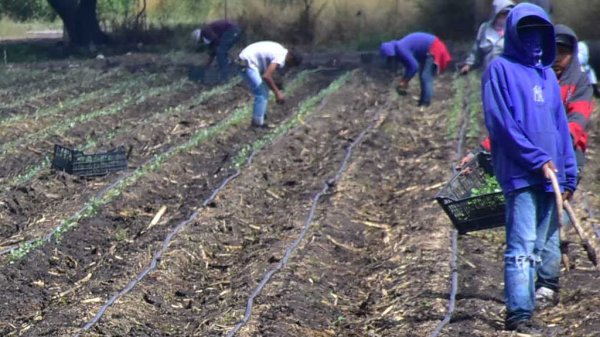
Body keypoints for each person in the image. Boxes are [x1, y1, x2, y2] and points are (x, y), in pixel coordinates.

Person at [481, 3, 577, 333]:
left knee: (543, 244)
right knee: (521, 247)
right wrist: (536, 158)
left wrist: (568, 171)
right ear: (513, 34)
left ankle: (537, 296)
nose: (534, 40)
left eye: (541, 33)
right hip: (522, 173)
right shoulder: (500, 69)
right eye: (526, 32)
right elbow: (501, 123)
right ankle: (519, 313)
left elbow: (560, 126)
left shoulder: (547, 74)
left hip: (552, 175)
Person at [237, 41, 303, 128]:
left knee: (264, 90)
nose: (289, 66)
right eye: (291, 64)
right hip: (248, 62)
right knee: (261, 92)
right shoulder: (280, 57)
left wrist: (276, 85)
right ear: (290, 57)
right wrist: (277, 93)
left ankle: (260, 117)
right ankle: (257, 124)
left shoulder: (281, 51)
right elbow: (266, 76)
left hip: (248, 59)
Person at [379, 32, 452, 107]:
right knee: (422, 75)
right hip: (428, 51)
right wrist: (405, 80)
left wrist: (405, 80)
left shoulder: (401, 49)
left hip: (434, 48)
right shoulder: (399, 47)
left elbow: (414, 67)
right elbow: (409, 67)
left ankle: (425, 103)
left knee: (426, 77)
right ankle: (422, 101)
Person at [460, 0, 515, 75]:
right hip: (489, 73)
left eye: (509, 13)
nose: (506, 16)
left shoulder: (514, 29)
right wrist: (468, 65)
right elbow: (477, 51)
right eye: (503, 13)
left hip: (509, 73)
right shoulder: (484, 28)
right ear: (496, 13)